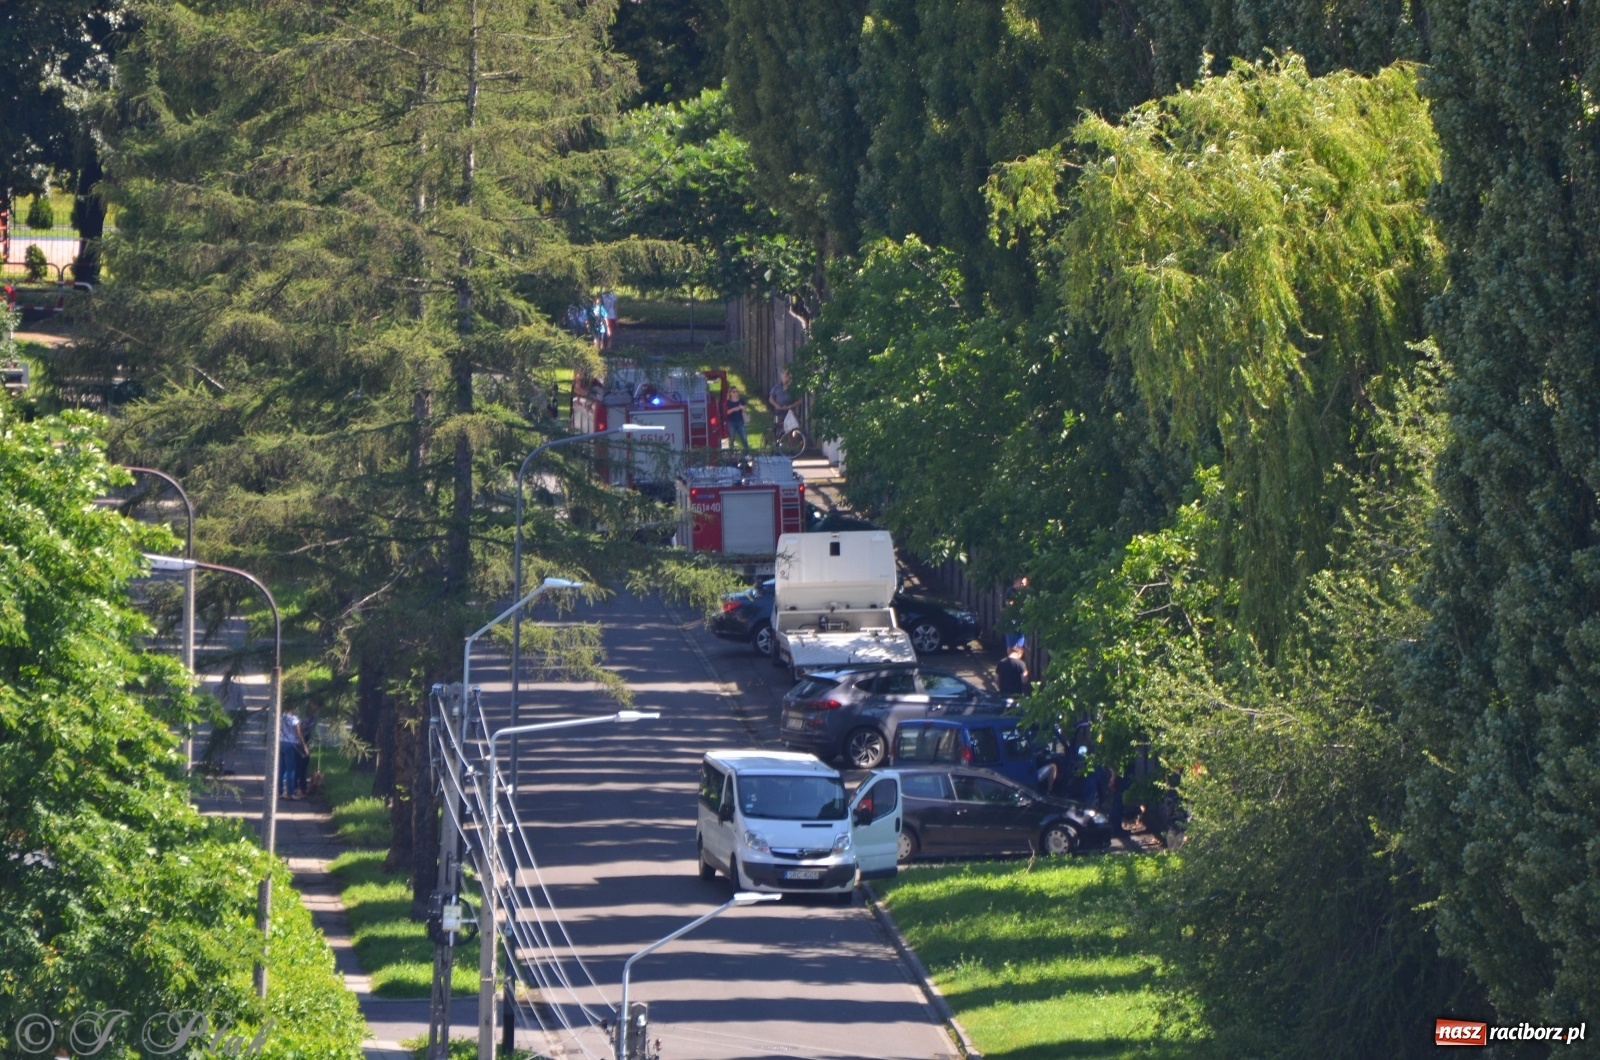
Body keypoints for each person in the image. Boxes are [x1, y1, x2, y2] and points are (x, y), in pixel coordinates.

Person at [279, 709, 308, 800]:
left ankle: (279, 791)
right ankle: (290, 793)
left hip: (281, 742)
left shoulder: (281, 716)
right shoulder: (294, 718)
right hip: (291, 744)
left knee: (281, 769)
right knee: (290, 770)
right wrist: (304, 746)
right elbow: (298, 733)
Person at [724, 385, 750, 452]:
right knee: (732, 438)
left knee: (744, 437)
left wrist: (742, 407)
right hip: (731, 422)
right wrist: (734, 409)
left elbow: (745, 409)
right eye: (734, 392)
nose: (735, 393)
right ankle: (731, 452)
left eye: (736, 391)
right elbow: (726, 412)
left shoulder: (741, 400)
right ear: (730, 393)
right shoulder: (728, 402)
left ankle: (747, 452)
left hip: (740, 421)